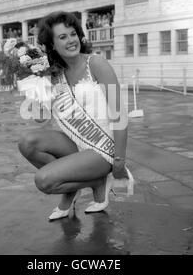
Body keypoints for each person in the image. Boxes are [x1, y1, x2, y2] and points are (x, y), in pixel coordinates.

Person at [18, 11, 133, 221]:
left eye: (73, 34)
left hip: (103, 149)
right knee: (27, 142)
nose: (71, 40)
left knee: (44, 180)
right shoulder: (54, 74)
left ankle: (80, 183)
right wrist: (37, 82)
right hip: (76, 143)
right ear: (51, 45)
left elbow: (120, 114)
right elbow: (41, 118)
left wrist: (119, 160)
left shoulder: (96, 64)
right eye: (62, 37)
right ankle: (94, 182)